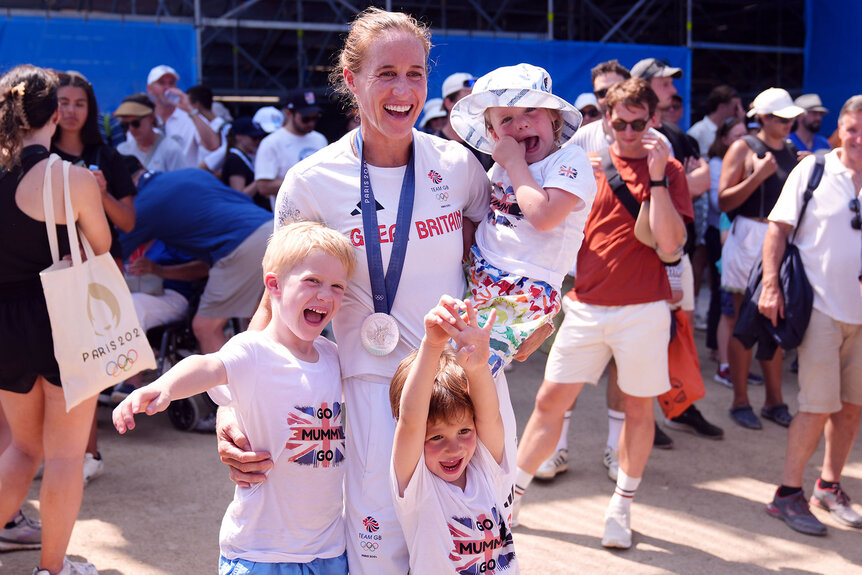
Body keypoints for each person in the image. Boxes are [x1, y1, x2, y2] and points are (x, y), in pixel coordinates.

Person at [214, 9, 507, 575]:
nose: (403, 91)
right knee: (381, 555)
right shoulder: (312, 180)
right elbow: (277, 301)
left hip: (459, 392)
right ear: (351, 80)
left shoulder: (458, 166)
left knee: (469, 552)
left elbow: (493, 268)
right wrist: (233, 410)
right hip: (370, 394)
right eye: (386, 74)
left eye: (416, 74)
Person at [114, 222, 354, 573]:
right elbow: (207, 364)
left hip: (329, 549)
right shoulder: (254, 350)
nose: (326, 295)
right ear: (273, 285)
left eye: (337, 287)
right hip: (262, 551)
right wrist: (162, 387)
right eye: (312, 281)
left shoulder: (333, 356)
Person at [514, 78, 691, 549]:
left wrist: (655, 177)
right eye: (620, 121)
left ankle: (622, 505)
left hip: (644, 310)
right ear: (606, 119)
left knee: (638, 410)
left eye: (638, 122)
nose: (629, 130)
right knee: (549, 403)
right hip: (588, 306)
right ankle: (509, 499)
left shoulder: (668, 169)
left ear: (652, 120)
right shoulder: (585, 167)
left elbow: (671, 246)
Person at [0, 64, 111, 575]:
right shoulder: (71, 178)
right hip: (59, 315)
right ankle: (53, 568)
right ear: (50, 117)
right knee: (65, 455)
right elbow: (103, 245)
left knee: (23, 447)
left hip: (5, 320)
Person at [449, 62, 595, 376]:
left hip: (524, 291)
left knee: (465, 377)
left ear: (554, 116)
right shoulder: (500, 168)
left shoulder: (569, 160)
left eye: (531, 111)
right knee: (443, 362)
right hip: (476, 278)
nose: (521, 124)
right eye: (506, 119)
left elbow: (544, 217)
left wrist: (515, 163)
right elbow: (481, 214)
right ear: (492, 133)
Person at [762, 95, 862, 536]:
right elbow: (778, 228)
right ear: (840, 128)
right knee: (816, 407)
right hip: (819, 308)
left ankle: (829, 485)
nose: (859, 139)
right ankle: (786, 494)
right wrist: (769, 285)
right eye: (853, 129)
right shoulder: (815, 170)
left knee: (852, 408)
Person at [50, 70, 138, 485]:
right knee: (48, 365)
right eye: (63, 102)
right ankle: (48, 452)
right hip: (45, 270)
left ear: (91, 109)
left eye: (79, 103)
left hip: (98, 270)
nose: (70, 111)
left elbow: (127, 221)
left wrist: (98, 192)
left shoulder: (109, 157)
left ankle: (89, 453)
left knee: (86, 364)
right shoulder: (34, 153)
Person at [390, 297, 518, 575]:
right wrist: (432, 345)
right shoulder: (418, 485)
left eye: (464, 431)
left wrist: (477, 365)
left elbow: (489, 416)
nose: (454, 447)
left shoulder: (486, 468)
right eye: (436, 437)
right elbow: (411, 422)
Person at [118, 157, 272, 354]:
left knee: (206, 328)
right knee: (262, 318)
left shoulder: (142, 205)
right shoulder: (191, 173)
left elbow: (109, 254)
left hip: (241, 244)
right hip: (272, 229)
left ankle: (234, 385)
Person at [719, 87, 803, 430]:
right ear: (763, 119)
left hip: (780, 239)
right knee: (745, 321)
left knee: (776, 320)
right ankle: (741, 400)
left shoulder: (792, 150)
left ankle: (773, 400)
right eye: (781, 119)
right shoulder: (744, 147)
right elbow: (724, 201)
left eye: (790, 119)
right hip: (749, 236)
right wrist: (759, 176)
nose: (788, 125)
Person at [706, 118, 748, 386]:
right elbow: (723, 232)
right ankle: (724, 366)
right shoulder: (717, 168)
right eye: (737, 136)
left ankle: (738, 366)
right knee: (728, 315)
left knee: (742, 319)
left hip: (745, 268)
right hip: (731, 268)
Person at [254, 89, 328, 203]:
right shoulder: (271, 142)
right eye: (305, 119)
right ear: (289, 113)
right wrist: (306, 180)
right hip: (290, 218)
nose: (311, 123)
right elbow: (263, 187)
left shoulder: (320, 139)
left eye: (315, 118)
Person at [144, 65, 219, 168]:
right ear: (149, 89)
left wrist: (190, 109)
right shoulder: (143, 120)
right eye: (161, 83)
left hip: (184, 182)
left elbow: (213, 145)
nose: (167, 88)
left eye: (171, 83)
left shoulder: (189, 117)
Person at [115, 93, 186, 173]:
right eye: (125, 125)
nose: (131, 129)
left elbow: (181, 182)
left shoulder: (171, 149)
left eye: (136, 123)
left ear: (151, 117)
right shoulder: (123, 151)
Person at [219, 117, 268, 209]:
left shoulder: (243, 157)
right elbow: (239, 195)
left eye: (259, 138)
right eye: (254, 138)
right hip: (247, 215)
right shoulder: (235, 160)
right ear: (239, 137)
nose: (258, 141)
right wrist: (262, 179)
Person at [687, 85, 744, 157]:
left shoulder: (734, 129)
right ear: (722, 107)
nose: (739, 112)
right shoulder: (697, 132)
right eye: (736, 108)